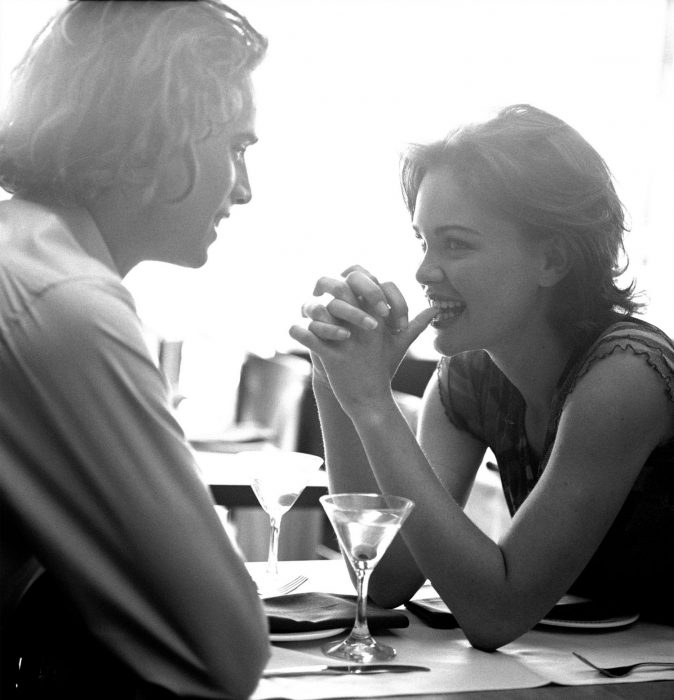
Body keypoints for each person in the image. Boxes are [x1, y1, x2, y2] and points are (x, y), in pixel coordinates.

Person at [291, 104, 674, 650]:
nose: (424, 271)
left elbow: (495, 614)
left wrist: (374, 404)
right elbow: (389, 574)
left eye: (457, 244)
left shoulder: (625, 377)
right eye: (423, 241)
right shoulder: (468, 380)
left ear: (552, 261)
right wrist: (335, 379)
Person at [0, 2, 270, 698]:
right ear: (159, 133)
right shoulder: (62, 300)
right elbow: (225, 650)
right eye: (236, 148)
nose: (244, 190)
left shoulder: (20, 250)